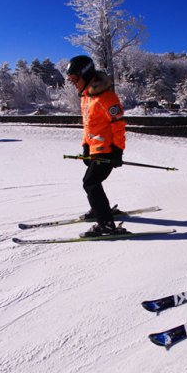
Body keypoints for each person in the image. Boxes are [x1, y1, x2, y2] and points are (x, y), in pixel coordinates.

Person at [65, 55, 127, 237]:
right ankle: (99, 209)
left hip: (108, 150)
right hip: (96, 150)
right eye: (70, 80)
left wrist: (118, 151)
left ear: (86, 75)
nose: (73, 83)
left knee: (90, 183)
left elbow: (119, 125)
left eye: (75, 79)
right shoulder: (87, 98)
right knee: (92, 182)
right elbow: (88, 126)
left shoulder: (106, 97)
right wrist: (86, 146)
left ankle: (106, 224)